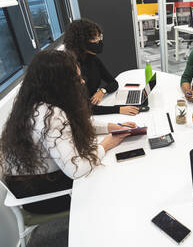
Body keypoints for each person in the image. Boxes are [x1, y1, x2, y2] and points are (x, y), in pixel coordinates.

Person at [0, 50, 136, 214]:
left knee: (104, 170)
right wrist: (106, 145)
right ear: (59, 83)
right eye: (77, 79)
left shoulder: (36, 101)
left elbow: (78, 123)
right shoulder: (49, 115)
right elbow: (76, 170)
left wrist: (111, 127)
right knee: (107, 183)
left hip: (37, 177)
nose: (83, 81)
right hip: (38, 192)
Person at [63, 19, 139, 116]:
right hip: (86, 115)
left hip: (98, 106)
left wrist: (102, 91)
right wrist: (119, 109)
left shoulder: (93, 59)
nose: (99, 41)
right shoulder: (72, 66)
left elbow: (113, 83)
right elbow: (83, 107)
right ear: (81, 42)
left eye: (99, 36)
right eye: (94, 38)